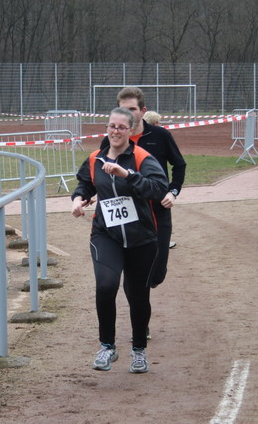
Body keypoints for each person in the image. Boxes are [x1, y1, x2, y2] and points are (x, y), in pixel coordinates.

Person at [72, 107, 168, 374]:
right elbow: (85, 184)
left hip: (141, 238)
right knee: (106, 285)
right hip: (106, 234)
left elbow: (158, 189)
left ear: (131, 130)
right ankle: (107, 346)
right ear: (107, 128)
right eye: (111, 126)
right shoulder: (95, 158)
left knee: (137, 295)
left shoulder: (141, 158)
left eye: (121, 127)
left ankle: (138, 350)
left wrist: (128, 175)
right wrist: (78, 199)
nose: (115, 131)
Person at [102, 87, 186, 281]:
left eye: (132, 109)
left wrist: (173, 192)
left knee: (156, 272)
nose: (128, 114)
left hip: (156, 208)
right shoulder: (110, 140)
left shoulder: (160, 135)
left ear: (143, 111)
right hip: (124, 211)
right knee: (132, 273)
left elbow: (179, 165)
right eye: (123, 109)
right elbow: (99, 170)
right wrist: (90, 193)